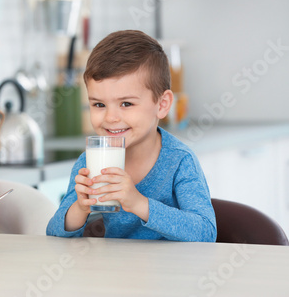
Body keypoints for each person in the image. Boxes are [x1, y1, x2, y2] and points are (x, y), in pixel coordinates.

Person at [47, 30, 217, 242]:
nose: (110, 117)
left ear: (162, 105)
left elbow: (205, 233)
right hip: (117, 271)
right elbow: (54, 232)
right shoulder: (89, 162)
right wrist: (80, 208)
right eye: (99, 104)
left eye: (126, 104)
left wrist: (138, 203)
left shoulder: (179, 161)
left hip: (173, 272)